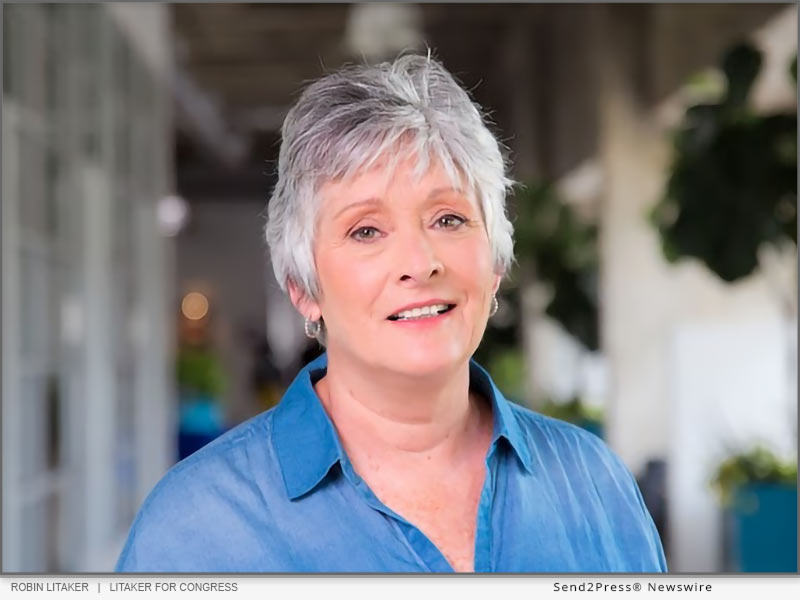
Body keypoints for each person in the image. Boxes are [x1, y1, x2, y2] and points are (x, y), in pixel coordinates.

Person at [116, 54, 667, 573]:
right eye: (366, 231)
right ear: (303, 289)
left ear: (496, 264)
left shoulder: (595, 485)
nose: (420, 263)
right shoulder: (195, 530)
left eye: (449, 219)